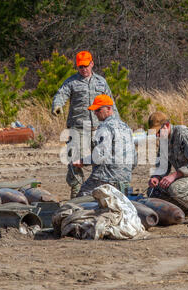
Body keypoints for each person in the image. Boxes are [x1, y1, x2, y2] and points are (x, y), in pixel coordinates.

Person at [52, 51, 119, 198]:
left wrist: (117, 124)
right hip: (78, 128)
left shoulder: (101, 82)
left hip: (98, 128)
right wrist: (57, 106)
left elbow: (110, 103)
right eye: (80, 67)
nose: (83, 69)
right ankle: (76, 194)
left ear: (92, 64)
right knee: (74, 161)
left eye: (86, 66)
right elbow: (61, 94)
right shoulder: (71, 82)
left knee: (102, 159)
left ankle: (103, 193)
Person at [72, 94, 136, 197]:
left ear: (109, 109)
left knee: (80, 201)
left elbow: (99, 156)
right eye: (94, 110)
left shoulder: (105, 127)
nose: (95, 113)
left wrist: (82, 161)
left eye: (98, 110)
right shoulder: (126, 127)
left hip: (105, 179)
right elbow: (134, 159)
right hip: (125, 180)